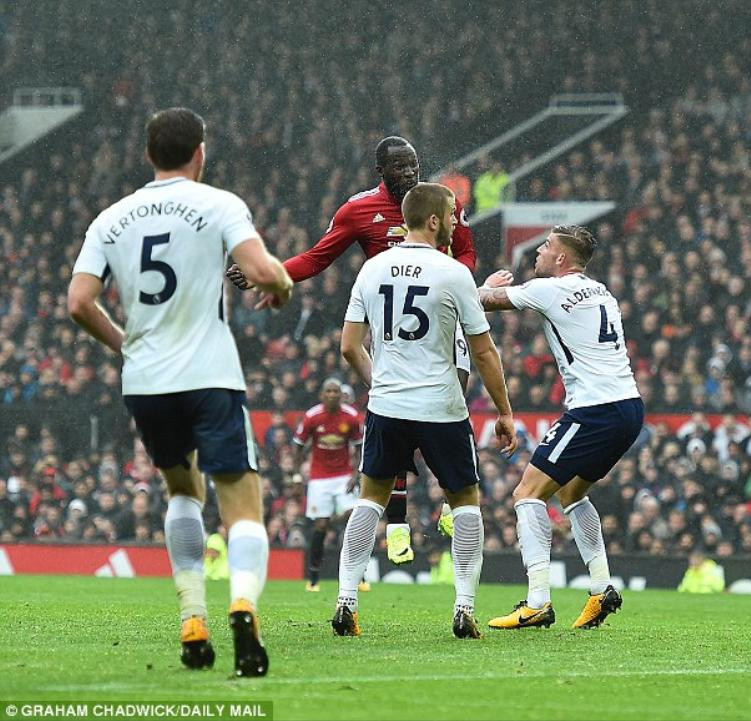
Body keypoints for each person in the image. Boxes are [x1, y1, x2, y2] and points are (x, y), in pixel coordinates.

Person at [67, 107, 293, 676]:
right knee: (242, 505)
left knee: (181, 491)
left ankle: (193, 616)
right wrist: (284, 286)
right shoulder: (219, 204)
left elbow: (78, 302)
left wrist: (125, 345)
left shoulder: (110, 219)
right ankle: (242, 605)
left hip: (146, 381)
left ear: (149, 154)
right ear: (200, 151)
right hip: (210, 375)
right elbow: (264, 272)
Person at [226, 136, 476, 564]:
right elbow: (318, 257)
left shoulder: (440, 201)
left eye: (414, 166)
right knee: (396, 416)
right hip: (394, 331)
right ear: (381, 171)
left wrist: (452, 281)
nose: (411, 174)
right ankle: (397, 525)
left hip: (444, 317)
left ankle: (453, 503)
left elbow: (468, 253)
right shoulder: (359, 210)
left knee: (456, 400)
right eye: (400, 168)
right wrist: (269, 274)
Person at [331, 182, 517, 639]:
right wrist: (505, 410)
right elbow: (485, 353)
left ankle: (346, 601)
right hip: (441, 407)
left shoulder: (372, 269)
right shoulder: (452, 273)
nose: (457, 222)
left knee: (370, 498)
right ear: (433, 220)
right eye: (453, 214)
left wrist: (382, 386)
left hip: (388, 406)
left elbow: (349, 347)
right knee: (466, 502)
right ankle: (464, 608)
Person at [477, 224, 644, 630]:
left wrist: (485, 284)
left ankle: (537, 601)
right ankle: (602, 588)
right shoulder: (602, 290)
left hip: (594, 409)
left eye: (547, 246)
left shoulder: (548, 289)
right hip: (629, 406)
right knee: (571, 493)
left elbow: (479, 301)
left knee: (527, 493)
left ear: (562, 259)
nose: (540, 251)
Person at [293, 378, 363, 592]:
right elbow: (298, 447)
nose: (333, 394)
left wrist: (356, 474)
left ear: (341, 395)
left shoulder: (350, 417)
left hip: (343, 476)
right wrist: (297, 476)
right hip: (319, 478)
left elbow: (359, 447)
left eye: (336, 391)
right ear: (322, 394)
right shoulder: (312, 417)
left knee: (354, 518)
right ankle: (314, 576)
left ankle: (360, 575)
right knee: (321, 526)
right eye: (329, 391)